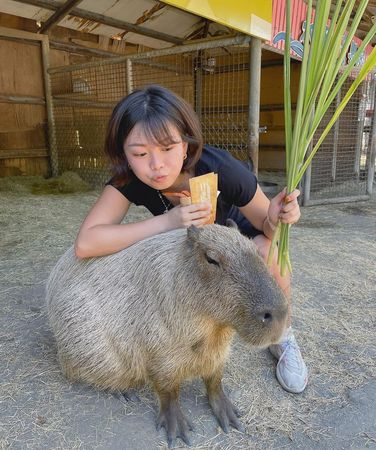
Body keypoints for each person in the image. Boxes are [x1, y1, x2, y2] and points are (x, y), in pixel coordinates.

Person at [75, 84, 308, 394]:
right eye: (141, 153)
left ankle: (284, 337)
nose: (156, 165)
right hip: (190, 248)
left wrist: (279, 218)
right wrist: (167, 221)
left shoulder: (223, 168)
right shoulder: (128, 180)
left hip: (236, 241)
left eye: (168, 148)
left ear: (185, 146)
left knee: (271, 254)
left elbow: (265, 226)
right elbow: (86, 243)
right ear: (125, 155)